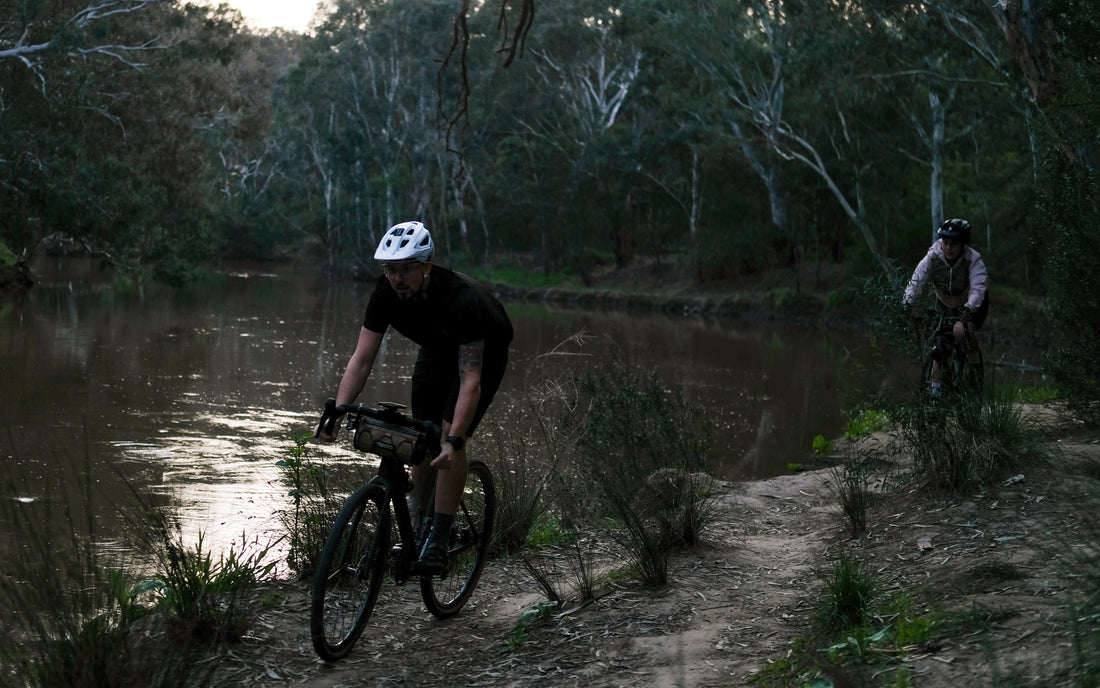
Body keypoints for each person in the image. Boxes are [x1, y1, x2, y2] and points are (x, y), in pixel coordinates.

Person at [317, 221, 513, 575]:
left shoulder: (461, 299)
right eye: (390, 269)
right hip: (436, 348)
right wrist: (339, 408)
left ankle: (438, 539)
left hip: (483, 350)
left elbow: (470, 380)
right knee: (422, 435)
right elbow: (362, 359)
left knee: (447, 436)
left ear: (426, 266)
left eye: (406, 269)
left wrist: (454, 440)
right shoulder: (384, 293)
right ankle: (420, 518)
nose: (397, 277)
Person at [902, 217, 990, 393]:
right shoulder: (933, 256)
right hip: (945, 304)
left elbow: (978, 288)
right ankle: (935, 394)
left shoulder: (973, 260)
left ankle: (974, 371)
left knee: (960, 330)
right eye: (945, 242)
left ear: (963, 245)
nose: (948, 247)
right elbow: (917, 281)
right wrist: (906, 304)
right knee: (939, 348)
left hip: (972, 305)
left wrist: (968, 309)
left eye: (954, 243)